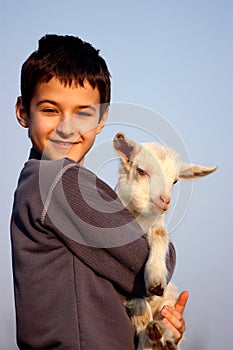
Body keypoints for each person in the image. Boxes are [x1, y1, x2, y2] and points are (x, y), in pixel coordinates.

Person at [10, 34, 188, 350]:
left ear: (102, 118)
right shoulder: (58, 181)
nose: (67, 127)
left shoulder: (33, 184)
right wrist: (160, 259)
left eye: (83, 113)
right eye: (51, 110)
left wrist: (156, 322)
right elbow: (150, 266)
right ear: (23, 111)